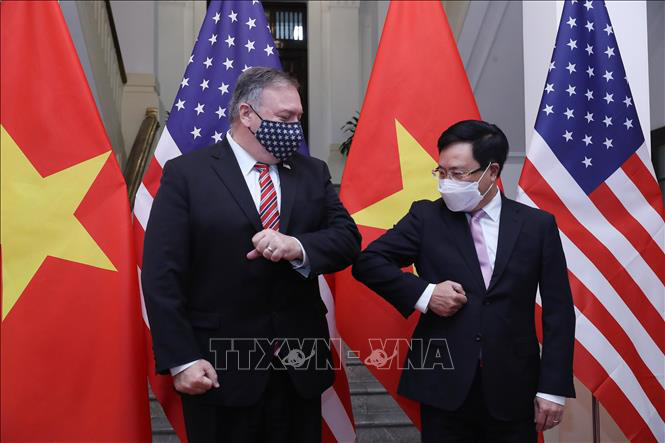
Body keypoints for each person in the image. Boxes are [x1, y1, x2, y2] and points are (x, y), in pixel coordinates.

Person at [142, 67, 361, 443]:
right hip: (219, 369)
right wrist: (182, 359)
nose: (295, 126)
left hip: (299, 367)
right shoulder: (187, 175)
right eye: (284, 117)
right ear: (247, 114)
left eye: (298, 118)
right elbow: (163, 274)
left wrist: (299, 247)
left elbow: (347, 239)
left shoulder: (312, 172)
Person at [352, 120, 575, 442]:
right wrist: (426, 294)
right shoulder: (426, 218)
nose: (446, 182)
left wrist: (552, 389)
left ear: (492, 172)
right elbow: (368, 262)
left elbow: (559, 310)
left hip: (513, 387)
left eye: (457, 174)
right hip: (444, 386)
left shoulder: (536, 226)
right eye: (441, 172)